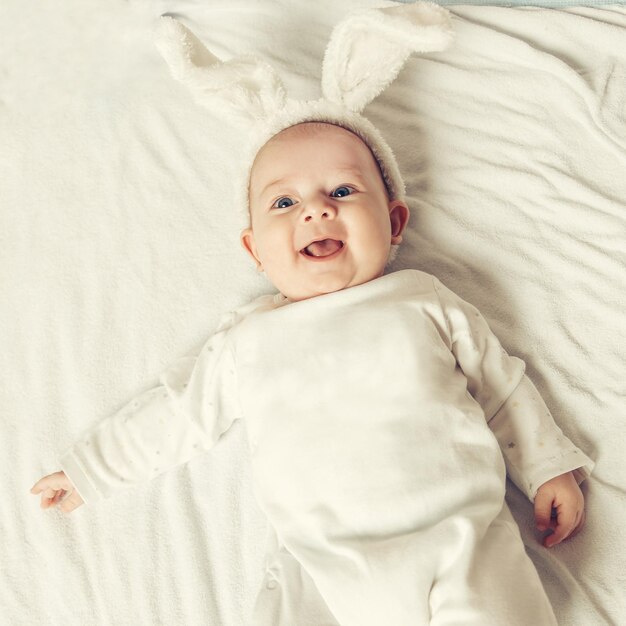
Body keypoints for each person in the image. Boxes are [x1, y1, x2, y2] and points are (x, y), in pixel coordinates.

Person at [31, 120, 593, 626]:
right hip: (324, 566)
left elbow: (500, 387)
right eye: (283, 203)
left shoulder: (422, 300)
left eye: (343, 191)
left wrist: (546, 467)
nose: (316, 210)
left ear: (394, 221)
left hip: (461, 541)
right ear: (255, 250)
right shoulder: (247, 340)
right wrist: (92, 470)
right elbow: (178, 412)